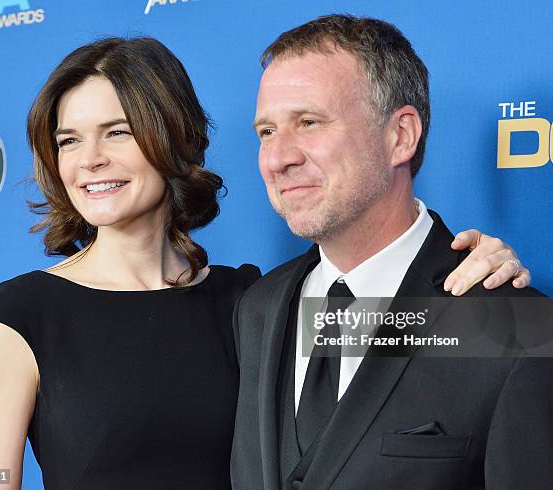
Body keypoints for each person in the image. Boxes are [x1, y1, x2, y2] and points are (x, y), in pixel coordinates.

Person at [0, 35, 527, 490]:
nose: (89, 160)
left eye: (117, 132)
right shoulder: (23, 311)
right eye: (67, 141)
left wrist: (487, 272)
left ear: (171, 138)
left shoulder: (250, 303)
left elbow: (395, 353)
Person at [231, 14, 552, 490]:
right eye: (267, 132)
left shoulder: (510, 327)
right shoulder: (257, 308)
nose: (278, 158)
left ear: (400, 135)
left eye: (309, 122)